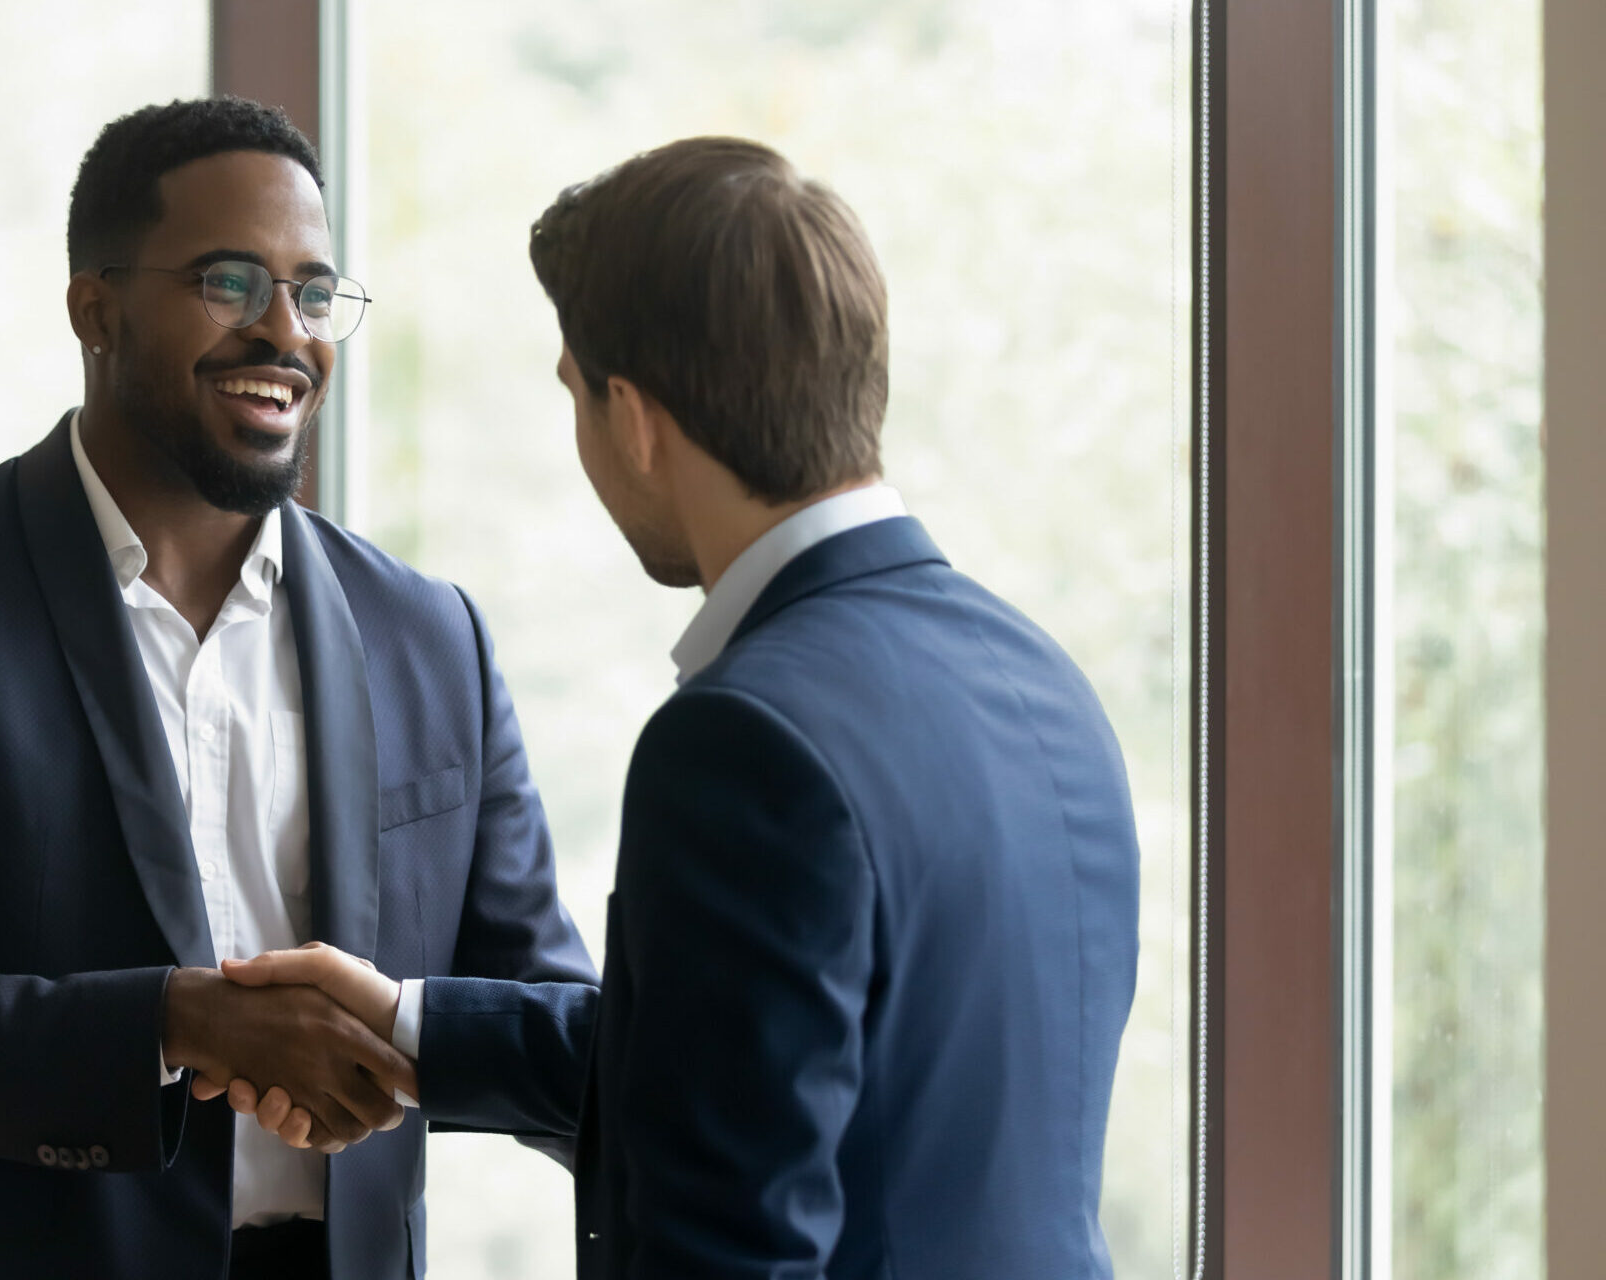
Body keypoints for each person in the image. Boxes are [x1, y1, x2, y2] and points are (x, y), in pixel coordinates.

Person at [218, 137, 1142, 1278]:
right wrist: (411, 1024)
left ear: (636, 419)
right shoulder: (1041, 677)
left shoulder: (745, 740)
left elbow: (729, 1243)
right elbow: (766, 1066)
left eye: (575, 398)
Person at [0, 96, 594, 1280]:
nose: (284, 333)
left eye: (313, 294)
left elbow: (550, 1026)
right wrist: (173, 1019)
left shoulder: (430, 635)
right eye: (228, 280)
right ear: (94, 309)